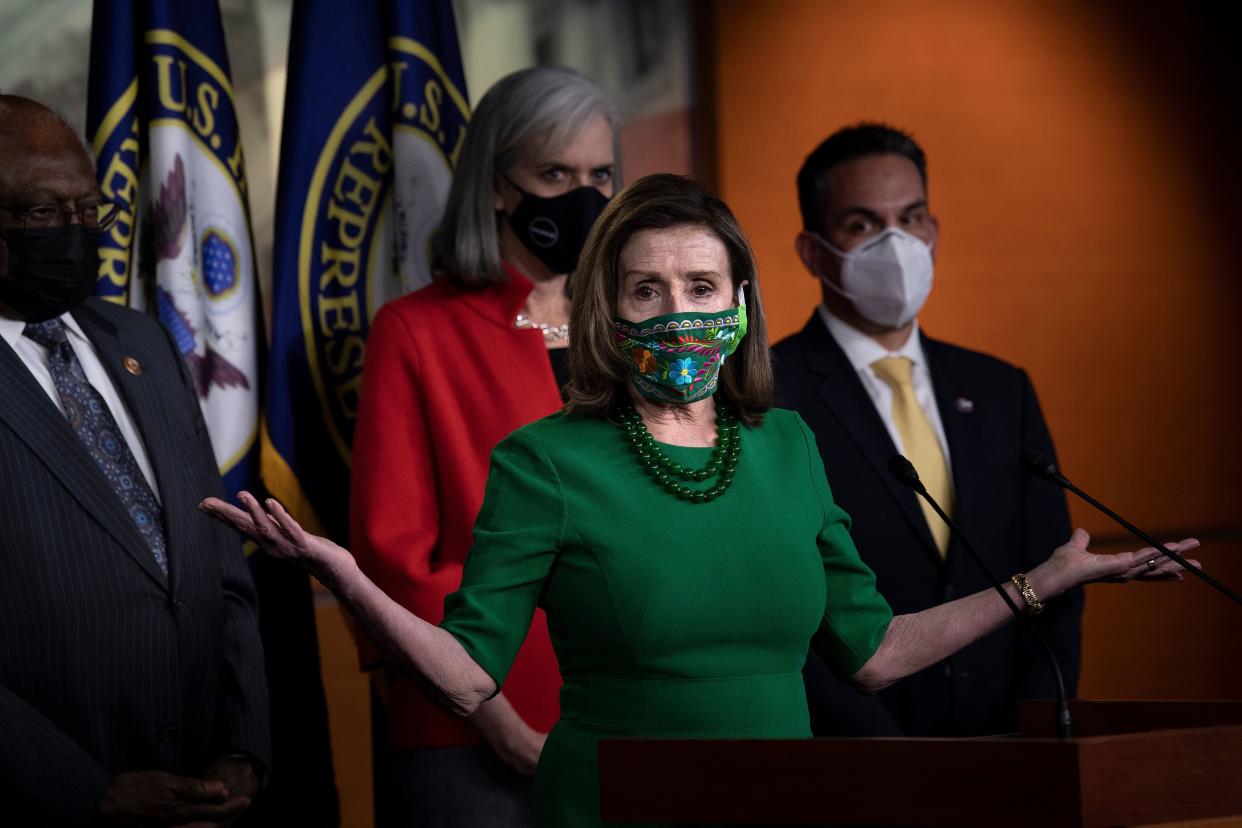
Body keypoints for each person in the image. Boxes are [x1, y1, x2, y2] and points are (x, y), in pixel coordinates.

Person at [204, 173, 1195, 828]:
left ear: (741, 304)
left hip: (780, 804)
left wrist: (1040, 583)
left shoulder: (788, 445)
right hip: (611, 808)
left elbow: (874, 651)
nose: (679, 312)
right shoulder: (545, 461)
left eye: (701, 285)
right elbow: (468, 679)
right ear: (606, 309)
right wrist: (348, 575)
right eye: (647, 292)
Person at [349, 66, 618, 825]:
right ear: (498, 186)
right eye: (555, 173)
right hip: (473, 724)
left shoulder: (634, 329)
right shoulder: (415, 332)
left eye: (601, 173)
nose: (584, 195)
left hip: (627, 711)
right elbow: (394, 559)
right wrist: (492, 710)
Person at [0, 95, 269, 825]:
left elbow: (220, 563)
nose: (78, 233)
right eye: (45, 215)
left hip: (207, 794)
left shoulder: (142, 341)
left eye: (90, 211)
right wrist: (86, 792)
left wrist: (245, 745)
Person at [773, 123, 1083, 737]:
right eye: (861, 225)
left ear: (933, 233)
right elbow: (779, 610)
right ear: (812, 251)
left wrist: (1039, 732)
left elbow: (1056, 578)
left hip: (1005, 754)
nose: (895, 244)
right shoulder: (769, 394)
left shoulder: (1002, 390)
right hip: (852, 764)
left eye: (910, 219)